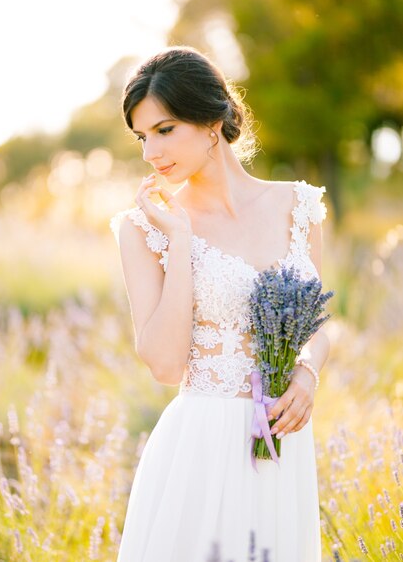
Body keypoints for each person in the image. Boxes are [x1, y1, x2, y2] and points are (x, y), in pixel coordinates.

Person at [110, 45, 330, 562]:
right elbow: (165, 366)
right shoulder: (142, 230)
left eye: (164, 130)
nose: (150, 153)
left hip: (282, 444)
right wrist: (181, 241)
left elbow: (321, 322)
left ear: (213, 120)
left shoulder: (300, 206)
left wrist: (308, 373)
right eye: (142, 137)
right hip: (202, 447)